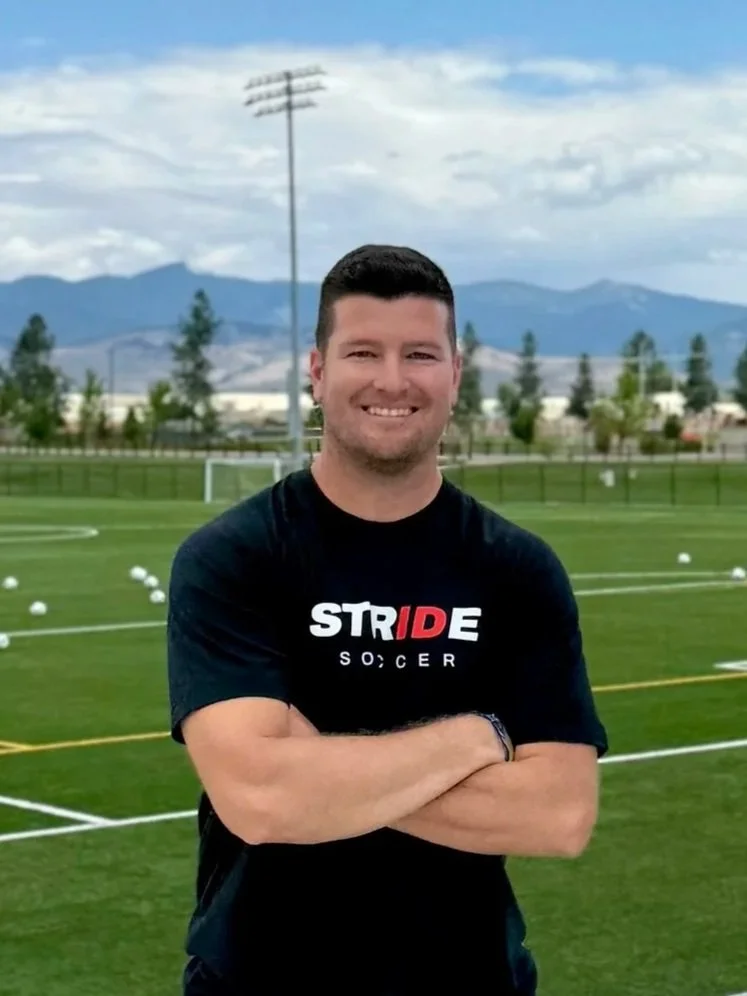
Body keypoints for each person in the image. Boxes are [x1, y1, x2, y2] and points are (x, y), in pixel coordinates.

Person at [166, 244, 609, 996]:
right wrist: (474, 739)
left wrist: (320, 773)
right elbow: (261, 800)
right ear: (317, 371)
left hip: (470, 979)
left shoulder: (517, 569)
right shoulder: (233, 558)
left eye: (420, 354)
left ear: (455, 373)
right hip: (259, 979)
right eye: (362, 351)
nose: (392, 381)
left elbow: (558, 815)